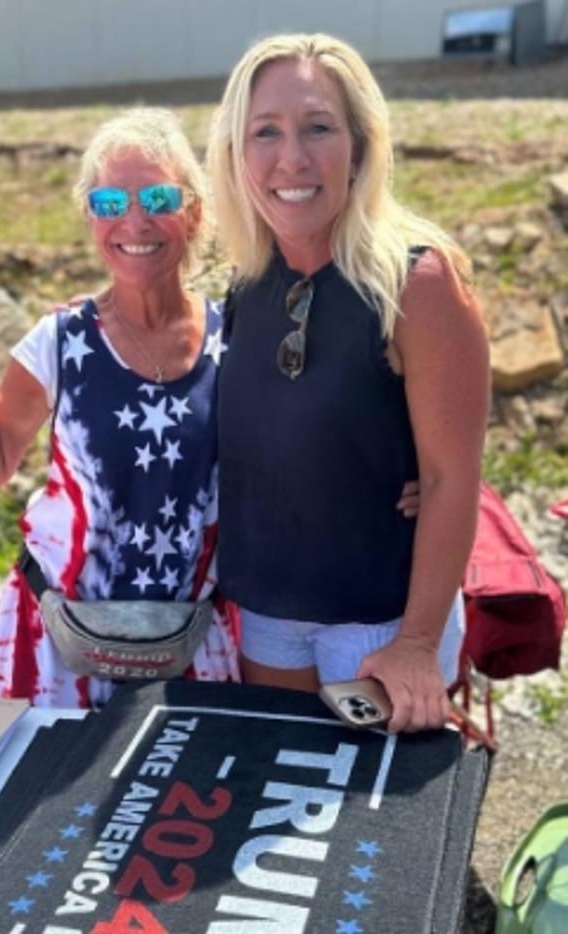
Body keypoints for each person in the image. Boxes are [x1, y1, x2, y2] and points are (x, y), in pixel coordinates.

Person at [207, 32, 490, 733]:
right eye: (264, 132)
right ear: (236, 154)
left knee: (374, 832)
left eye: (318, 128)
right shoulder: (246, 284)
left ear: (361, 146)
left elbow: (454, 478)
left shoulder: (416, 284)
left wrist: (418, 643)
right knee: (275, 816)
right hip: (270, 619)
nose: (291, 158)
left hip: (380, 627)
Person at [0, 107, 240, 707]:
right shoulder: (60, 341)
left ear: (195, 210)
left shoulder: (235, 338)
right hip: (63, 648)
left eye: (157, 197)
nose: (133, 220)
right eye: (108, 204)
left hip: (188, 644)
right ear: (90, 219)